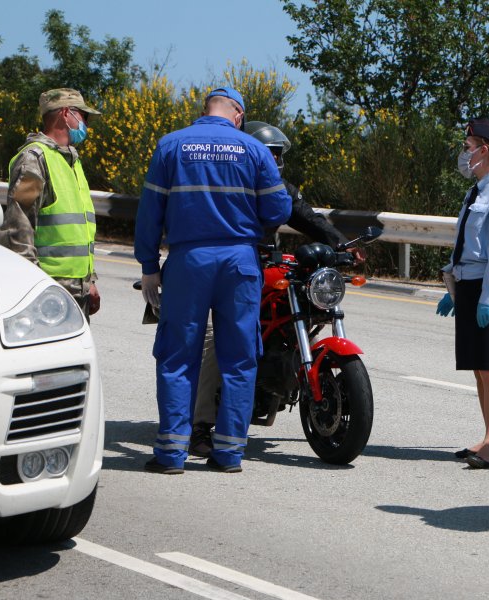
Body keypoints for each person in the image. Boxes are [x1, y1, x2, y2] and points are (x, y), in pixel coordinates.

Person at [135, 87, 292, 474]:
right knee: (239, 358)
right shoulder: (252, 148)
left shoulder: (171, 146)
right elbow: (279, 207)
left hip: (189, 260)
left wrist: (148, 265)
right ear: (237, 115)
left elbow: (149, 210)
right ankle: (228, 454)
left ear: (206, 110)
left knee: (177, 356)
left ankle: (171, 454)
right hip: (239, 261)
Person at [188, 120, 357, 457]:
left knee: (305, 310)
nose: (274, 161)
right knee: (213, 339)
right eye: (268, 154)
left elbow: (308, 218)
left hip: (262, 265)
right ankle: (201, 426)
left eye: (277, 155)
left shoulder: (279, 188)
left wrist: (342, 246)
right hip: (225, 268)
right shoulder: (229, 184)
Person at [435, 117, 489, 469]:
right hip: (470, 283)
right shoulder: (477, 191)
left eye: (469, 148)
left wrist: (488, 297)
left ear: (485, 151)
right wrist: (454, 286)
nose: (464, 153)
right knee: (478, 369)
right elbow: (467, 245)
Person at [0, 88, 101, 319]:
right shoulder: (34, 159)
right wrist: (33, 288)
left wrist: (89, 281)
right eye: (83, 117)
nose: (86, 124)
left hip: (76, 291)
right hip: (49, 291)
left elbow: (78, 233)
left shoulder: (70, 161)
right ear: (66, 113)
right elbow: (18, 228)